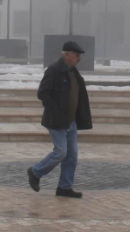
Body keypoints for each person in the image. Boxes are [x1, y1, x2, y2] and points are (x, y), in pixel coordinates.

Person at [27, 41, 92, 198]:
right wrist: (55, 110)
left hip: (71, 121)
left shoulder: (73, 72)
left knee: (71, 156)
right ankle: (35, 172)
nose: (79, 59)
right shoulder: (54, 70)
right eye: (77, 55)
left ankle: (64, 187)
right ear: (67, 54)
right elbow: (43, 93)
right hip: (57, 121)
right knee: (61, 152)